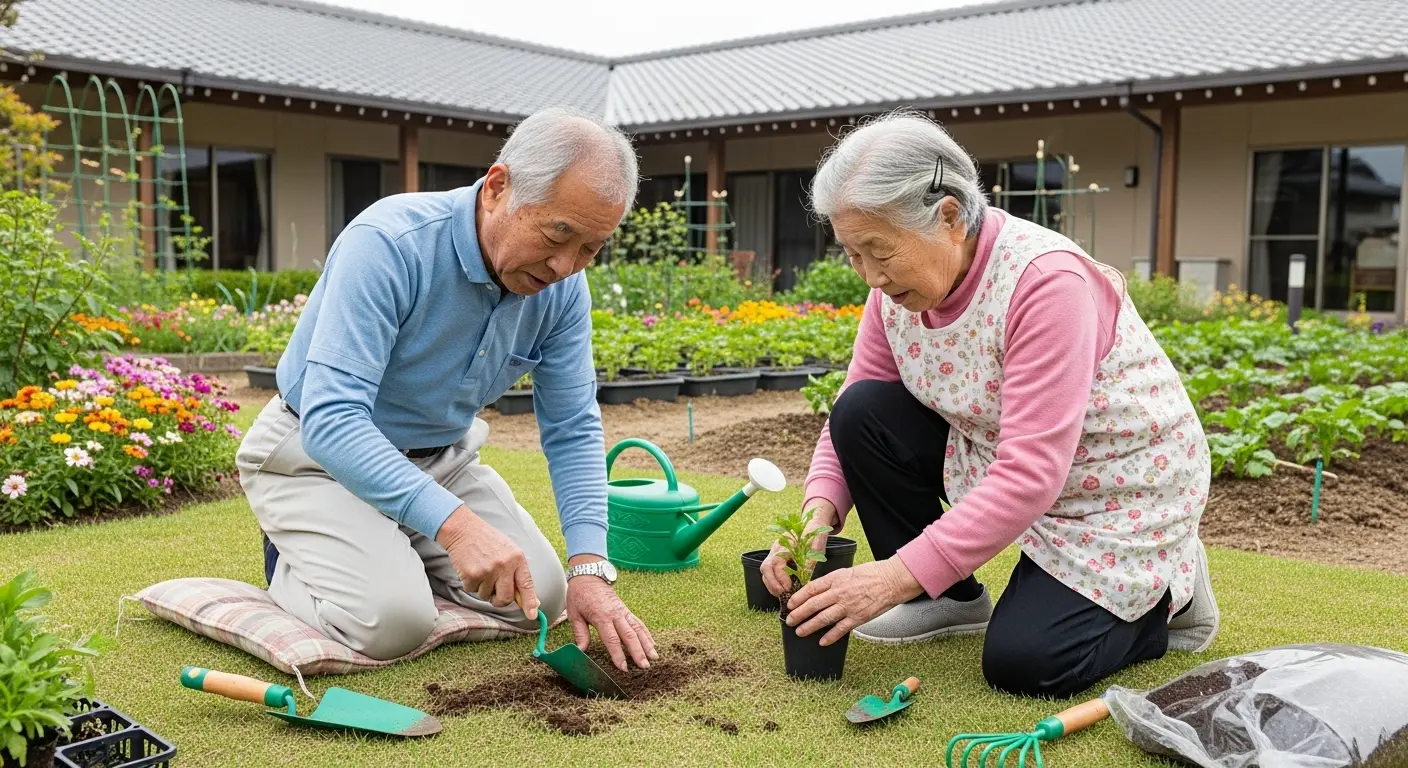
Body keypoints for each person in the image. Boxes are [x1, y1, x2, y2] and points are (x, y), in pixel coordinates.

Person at [760, 110, 1219, 699]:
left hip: (1115, 489)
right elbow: (855, 402)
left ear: (949, 215)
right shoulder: (895, 290)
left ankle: (1167, 597)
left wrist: (890, 577)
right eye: (852, 253)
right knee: (863, 411)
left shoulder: (1046, 282)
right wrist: (813, 521)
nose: (869, 276)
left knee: (1028, 663)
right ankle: (946, 599)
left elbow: (1030, 473)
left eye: (878, 249)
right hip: (998, 455)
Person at [237, 107, 658, 673]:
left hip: (439, 459)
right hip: (313, 458)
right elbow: (334, 419)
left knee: (542, 599)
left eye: (591, 248)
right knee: (394, 622)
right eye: (558, 234)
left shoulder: (562, 289)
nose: (565, 265)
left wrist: (589, 565)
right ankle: (297, 558)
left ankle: (398, 542)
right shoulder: (388, 242)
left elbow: (573, 425)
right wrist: (456, 528)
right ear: (497, 187)